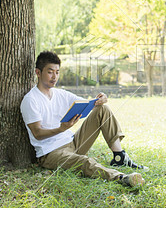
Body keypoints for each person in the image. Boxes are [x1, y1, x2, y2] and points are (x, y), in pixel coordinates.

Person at [20, 51, 147, 187]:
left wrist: (101, 99)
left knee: (102, 109)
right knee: (85, 162)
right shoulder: (30, 100)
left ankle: (119, 157)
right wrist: (61, 129)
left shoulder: (60, 94)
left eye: (57, 72)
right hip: (51, 153)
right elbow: (37, 134)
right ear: (38, 73)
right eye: (50, 72)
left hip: (73, 143)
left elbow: (88, 104)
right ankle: (121, 178)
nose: (54, 77)